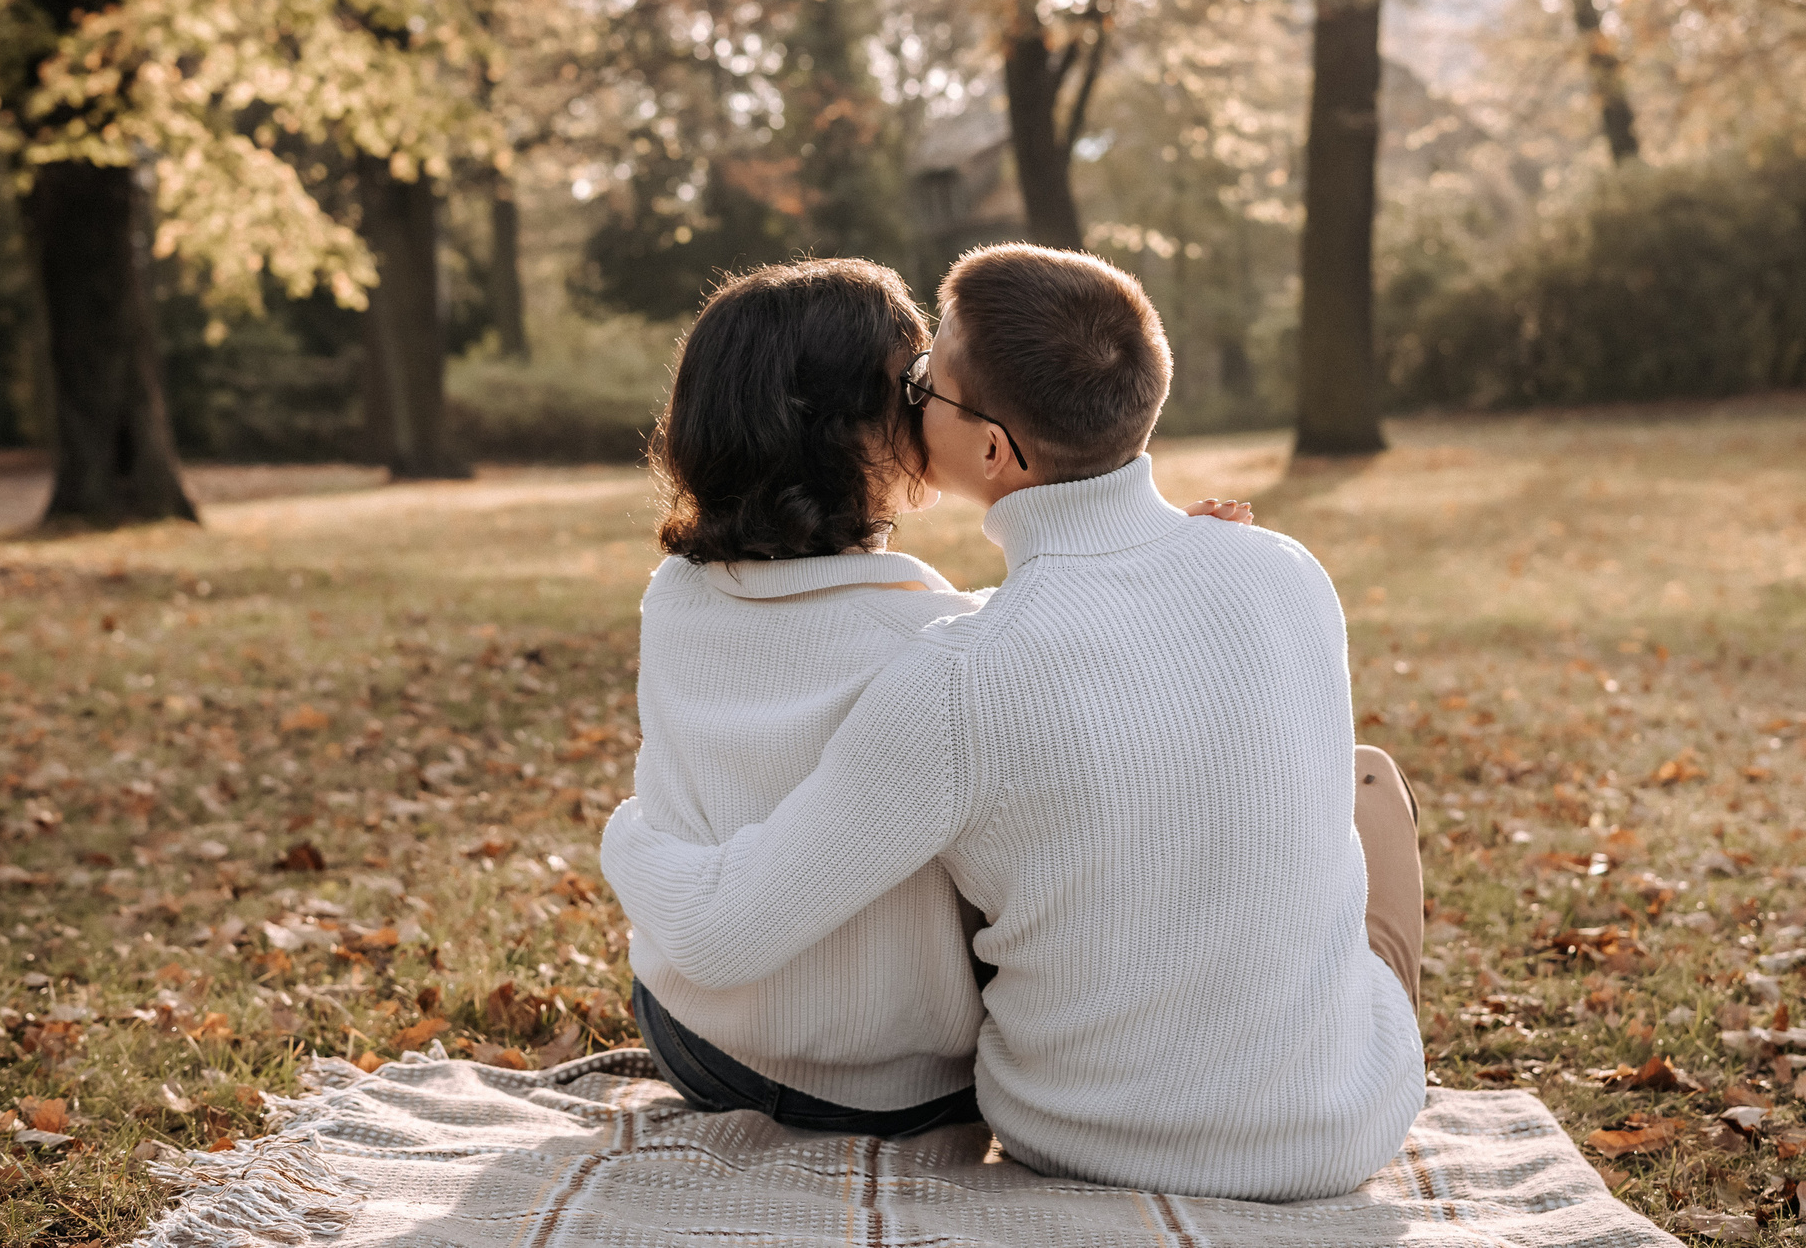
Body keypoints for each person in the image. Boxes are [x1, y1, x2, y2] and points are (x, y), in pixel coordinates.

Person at [605, 244, 1429, 1204]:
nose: (906, 402)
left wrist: (628, 827)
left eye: (925, 384)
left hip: (1074, 1130)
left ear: (993, 449)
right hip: (1345, 1125)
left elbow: (724, 928)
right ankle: (1357, 1002)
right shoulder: (1289, 569)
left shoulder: (952, 669)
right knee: (1360, 783)